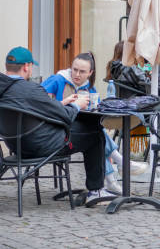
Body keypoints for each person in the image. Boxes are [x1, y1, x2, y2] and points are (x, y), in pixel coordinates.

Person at [0, 47, 114, 204]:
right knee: (95, 132)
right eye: (32, 66)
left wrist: (62, 103)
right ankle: (96, 191)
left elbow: (44, 110)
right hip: (40, 146)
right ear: (26, 66)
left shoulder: (5, 88)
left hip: (16, 145)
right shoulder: (30, 89)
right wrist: (77, 105)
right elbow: (65, 115)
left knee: (86, 127)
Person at [42, 52, 147, 194]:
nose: (77, 74)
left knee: (97, 131)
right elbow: (41, 102)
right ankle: (117, 165)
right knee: (96, 135)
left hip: (78, 130)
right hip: (59, 131)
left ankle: (111, 179)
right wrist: (65, 103)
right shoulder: (58, 80)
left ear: (90, 73)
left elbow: (96, 109)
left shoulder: (89, 88)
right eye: (74, 69)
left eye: (82, 71)